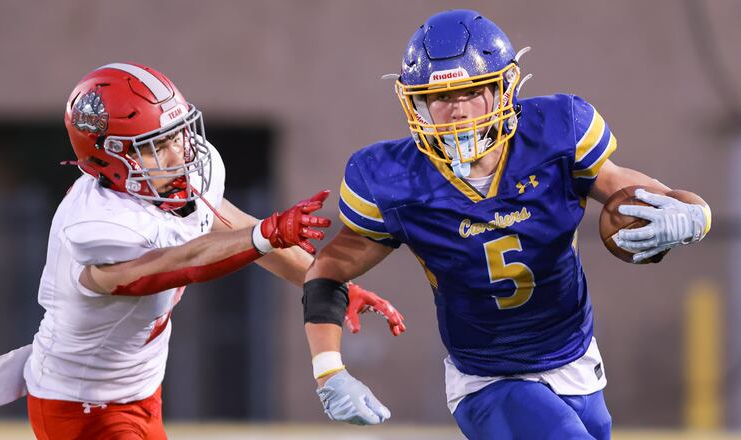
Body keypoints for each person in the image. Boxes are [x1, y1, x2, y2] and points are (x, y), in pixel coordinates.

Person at [301, 9, 712, 439]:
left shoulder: (556, 135)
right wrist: (329, 373)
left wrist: (694, 215)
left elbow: (650, 194)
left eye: (473, 90)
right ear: (417, 103)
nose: (458, 112)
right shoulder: (396, 180)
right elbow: (328, 271)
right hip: (489, 379)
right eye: (441, 98)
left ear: (505, 88)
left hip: (574, 358)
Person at [0, 62, 404, 440]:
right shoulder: (96, 225)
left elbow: (236, 227)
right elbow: (182, 262)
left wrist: (326, 282)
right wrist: (267, 235)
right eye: (156, 146)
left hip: (140, 391)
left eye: (177, 133)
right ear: (111, 159)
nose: (179, 150)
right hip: (81, 402)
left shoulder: (180, 177)